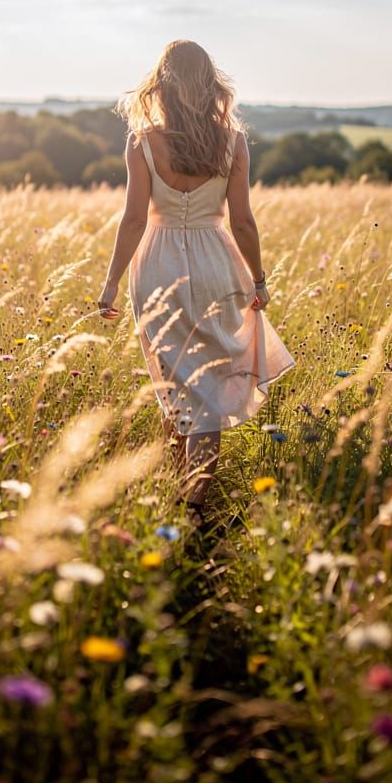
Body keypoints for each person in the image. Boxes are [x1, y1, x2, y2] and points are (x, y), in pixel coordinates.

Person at [97, 40, 295, 524]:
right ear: (211, 85)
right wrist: (258, 279)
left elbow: (133, 221)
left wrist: (109, 285)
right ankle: (190, 505)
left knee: (172, 382)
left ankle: (181, 497)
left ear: (161, 85)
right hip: (215, 263)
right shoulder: (233, 141)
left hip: (157, 266)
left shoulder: (143, 141)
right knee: (203, 390)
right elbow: (243, 222)